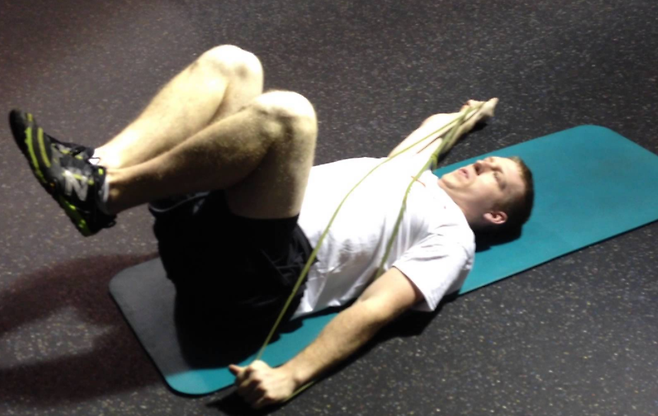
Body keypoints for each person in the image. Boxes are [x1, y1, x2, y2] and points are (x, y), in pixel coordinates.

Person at [9, 45, 534, 409]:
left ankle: (106, 194)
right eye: (490, 159)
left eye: (498, 176)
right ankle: (95, 169)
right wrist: (469, 116)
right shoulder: (410, 170)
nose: (485, 165)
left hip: (251, 286)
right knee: (234, 64)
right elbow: (435, 131)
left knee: (289, 115)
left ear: (496, 215)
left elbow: (378, 309)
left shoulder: (454, 240)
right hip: (217, 228)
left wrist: (291, 376)